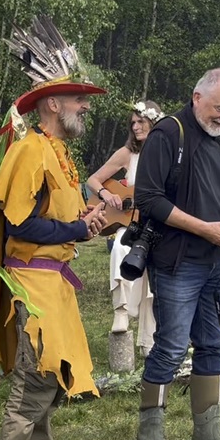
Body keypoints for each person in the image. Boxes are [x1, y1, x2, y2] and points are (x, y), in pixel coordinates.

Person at [0, 16, 109, 440]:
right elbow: (21, 224)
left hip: (55, 282)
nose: (85, 107)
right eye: (78, 100)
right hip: (33, 281)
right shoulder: (30, 149)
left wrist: (85, 220)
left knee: (53, 370)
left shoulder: (57, 150)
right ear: (53, 104)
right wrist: (74, 229)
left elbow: (54, 215)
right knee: (34, 378)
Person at [131, 68, 220, 440]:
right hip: (178, 260)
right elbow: (148, 199)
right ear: (197, 97)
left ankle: (208, 431)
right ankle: (150, 429)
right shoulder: (168, 133)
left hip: (219, 260)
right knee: (170, 345)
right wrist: (203, 228)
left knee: (213, 345)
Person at [86, 100, 162, 349]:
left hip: (155, 225)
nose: (136, 127)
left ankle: (147, 339)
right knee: (120, 247)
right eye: (133, 123)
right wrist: (108, 195)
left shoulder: (165, 153)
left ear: (153, 121)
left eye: (140, 121)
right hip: (127, 224)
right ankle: (120, 310)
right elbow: (93, 180)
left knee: (152, 272)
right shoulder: (127, 153)